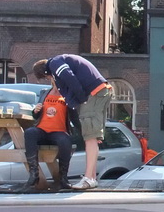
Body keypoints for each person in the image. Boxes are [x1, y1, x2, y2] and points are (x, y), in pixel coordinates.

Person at [33, 55, 111, 190]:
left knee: (90, 138)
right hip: (102, 90)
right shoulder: (62, 60)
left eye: (47, 78)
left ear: (46, 73)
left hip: (93, 93)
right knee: (91, 137)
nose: (50, 80)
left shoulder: (55, 64)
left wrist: (82, 99)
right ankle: (92, 177)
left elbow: (70, 78)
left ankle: (88, 179)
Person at [23, 86, 74, 191]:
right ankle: (34, 174)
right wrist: (35, 111)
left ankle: (63, 178)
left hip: (59, 131)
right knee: (29, 133)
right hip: (42, 129)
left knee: (65, 140)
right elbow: (35, 116)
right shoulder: (44, 92)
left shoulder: (68, 94)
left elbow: (74, 114)